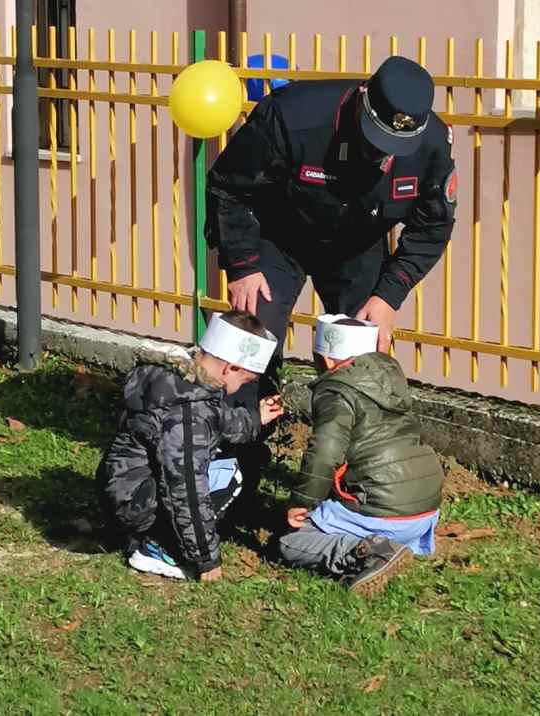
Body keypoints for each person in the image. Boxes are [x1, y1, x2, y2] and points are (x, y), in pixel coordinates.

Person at [206, 55, 457, 502]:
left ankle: (350, 482)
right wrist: (243, 264)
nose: (382, 154)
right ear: (362, 101)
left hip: (358, 248)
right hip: (277, 237)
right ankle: (229, 470)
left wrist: (389, 293)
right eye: (376, 139)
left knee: (361, 356)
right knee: (249, 341)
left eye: (394, 147)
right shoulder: (291, 115)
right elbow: (228, 185)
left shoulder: (433, 144)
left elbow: (433, 224)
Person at [97, 310, 283, 582]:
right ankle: (158, 548)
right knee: (229, 476)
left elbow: (218, 420)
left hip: (123, 488)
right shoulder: (190, 412)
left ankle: (147, 533)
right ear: (230, 368)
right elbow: (186, 488)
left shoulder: (175, 379)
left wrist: (255, 418)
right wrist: (207, 559)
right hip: (137, 505)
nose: (241, 387)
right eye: (245, 380)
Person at [279, 315, 444, 595]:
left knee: (291, 542)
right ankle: (396, 544)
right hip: (425, 514)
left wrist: (302, 501)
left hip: (384, 514)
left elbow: (325, 451)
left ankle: (369, 552)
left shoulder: (335, 389)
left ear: (328, 360)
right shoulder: (391, 379)